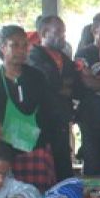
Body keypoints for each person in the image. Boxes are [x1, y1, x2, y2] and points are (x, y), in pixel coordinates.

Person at [0, 25, 57, 192]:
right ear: (2, 48)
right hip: (5, 154)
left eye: (24, 45)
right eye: (15, 45)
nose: (21, 50)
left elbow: (49, 113)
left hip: (37, 152)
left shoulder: (37, 77)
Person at [27, 15, 79, 180]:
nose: (63, 36)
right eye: (58, 32)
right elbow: (48, 83)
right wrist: (61, 86)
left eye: (63, 32)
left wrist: (62, 87)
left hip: (62, 120)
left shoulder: (64, 59)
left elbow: (74, 86)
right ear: (43, 33)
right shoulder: (34, 56)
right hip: (43, 121)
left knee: (64, 165)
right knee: (47, 169)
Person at [75, 12, 100, 176]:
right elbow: (88, 82)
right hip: (91, 115)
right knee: (93, 160)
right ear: (94, 30)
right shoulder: (84, 54)